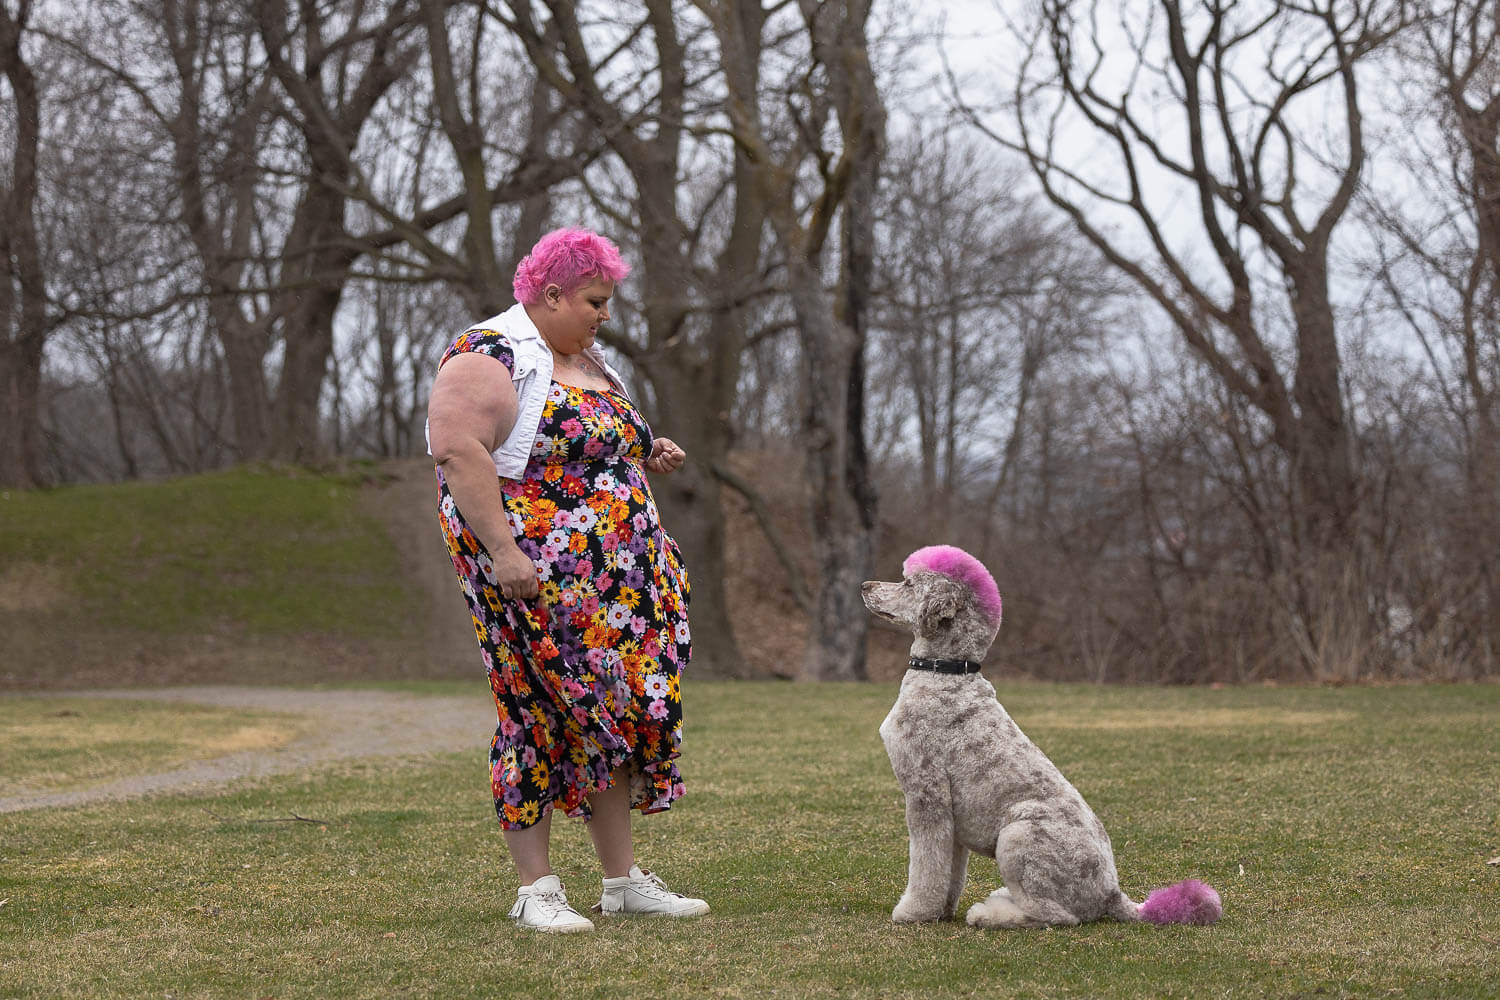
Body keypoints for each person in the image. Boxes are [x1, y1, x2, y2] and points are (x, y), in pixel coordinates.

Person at [426, 227, 706, 933]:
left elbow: (597, 439)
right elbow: (460, 453)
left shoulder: (583, 357)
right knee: (537, 710)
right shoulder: (486, 354)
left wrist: (649, 449)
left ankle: (622, 882)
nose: (604, 314)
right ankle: (538, 889)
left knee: (611, 714)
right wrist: (504, 551)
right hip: (532, 576)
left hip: (619, 584)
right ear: (550, 294)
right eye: (594, 300)